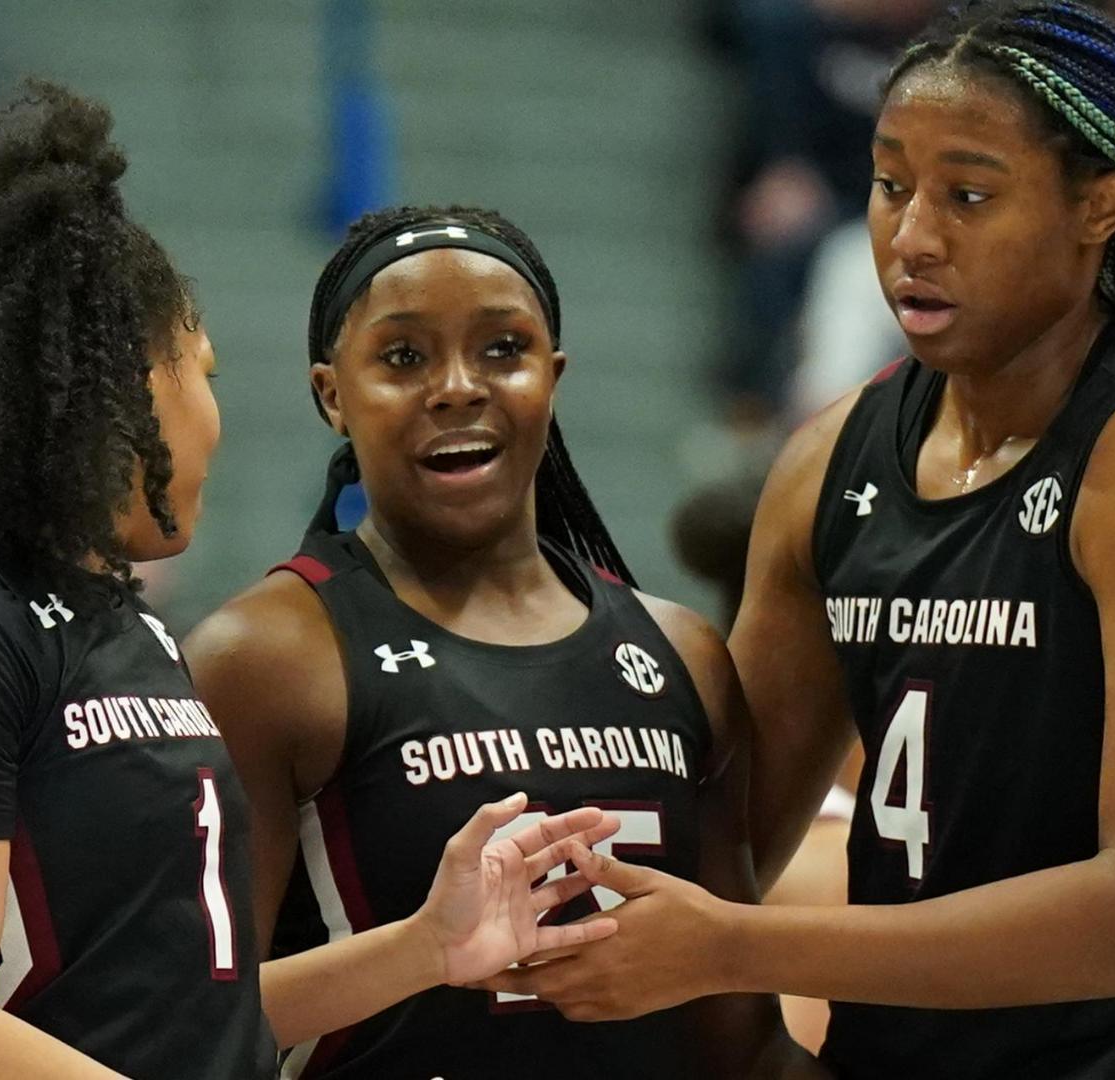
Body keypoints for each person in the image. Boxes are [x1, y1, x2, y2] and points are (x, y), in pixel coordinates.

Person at [486, 4, 1115, 1078]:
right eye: (891, 184)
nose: (912, 237)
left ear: (1101, 204)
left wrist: (731, 949)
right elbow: (726, 841)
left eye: (971, 195)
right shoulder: (830, 462)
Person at [0, 85, 618, 1080]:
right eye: (202, 373)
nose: (215, 422)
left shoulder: (117, 627)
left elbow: (187, 1022)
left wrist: (426, 947)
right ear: (115, 381)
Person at [186, 205, 814, 1078]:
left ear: (552, 377)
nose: (457, 387)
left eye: (503, 350)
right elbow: (187, 1024)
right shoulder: (262, 656)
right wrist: (416, 951)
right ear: (332, 394)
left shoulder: (685, 654)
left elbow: (740, 1042)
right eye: (403, 357)